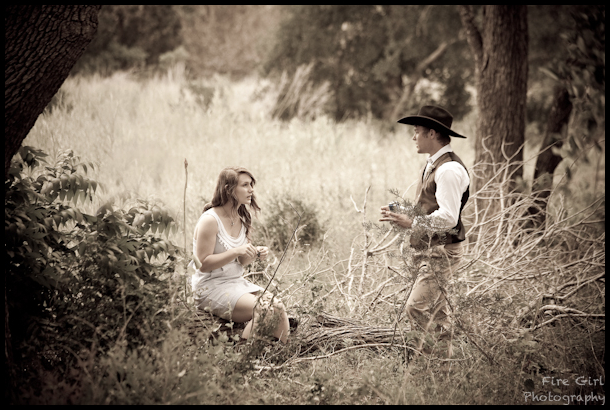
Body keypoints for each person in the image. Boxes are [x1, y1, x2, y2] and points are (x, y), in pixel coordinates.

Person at [380, 105, 470, 355]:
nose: (413, 137)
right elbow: (432, 209)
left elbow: (449, 217)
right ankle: (443, 364)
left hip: (442, 250)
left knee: (415, 307)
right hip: (433, 248)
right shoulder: (434, 164)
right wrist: (403, 213)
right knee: (438, 313)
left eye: (417, 131)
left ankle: (426, 359)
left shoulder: (449, 169)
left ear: (432, 133)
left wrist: (413, 223)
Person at [190, 166, 290, 343]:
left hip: (235, 283)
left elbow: (242, 261)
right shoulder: (210, 220)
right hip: (210, 287)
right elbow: (202, 264)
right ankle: (243, 353)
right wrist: (236, 251)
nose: (251, 190)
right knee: (264, 309)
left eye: (251, 184)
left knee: (278, 307)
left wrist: (255, 253)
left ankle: (283, 351)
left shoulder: (242, 217)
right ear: (229, 189)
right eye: (245, 185)